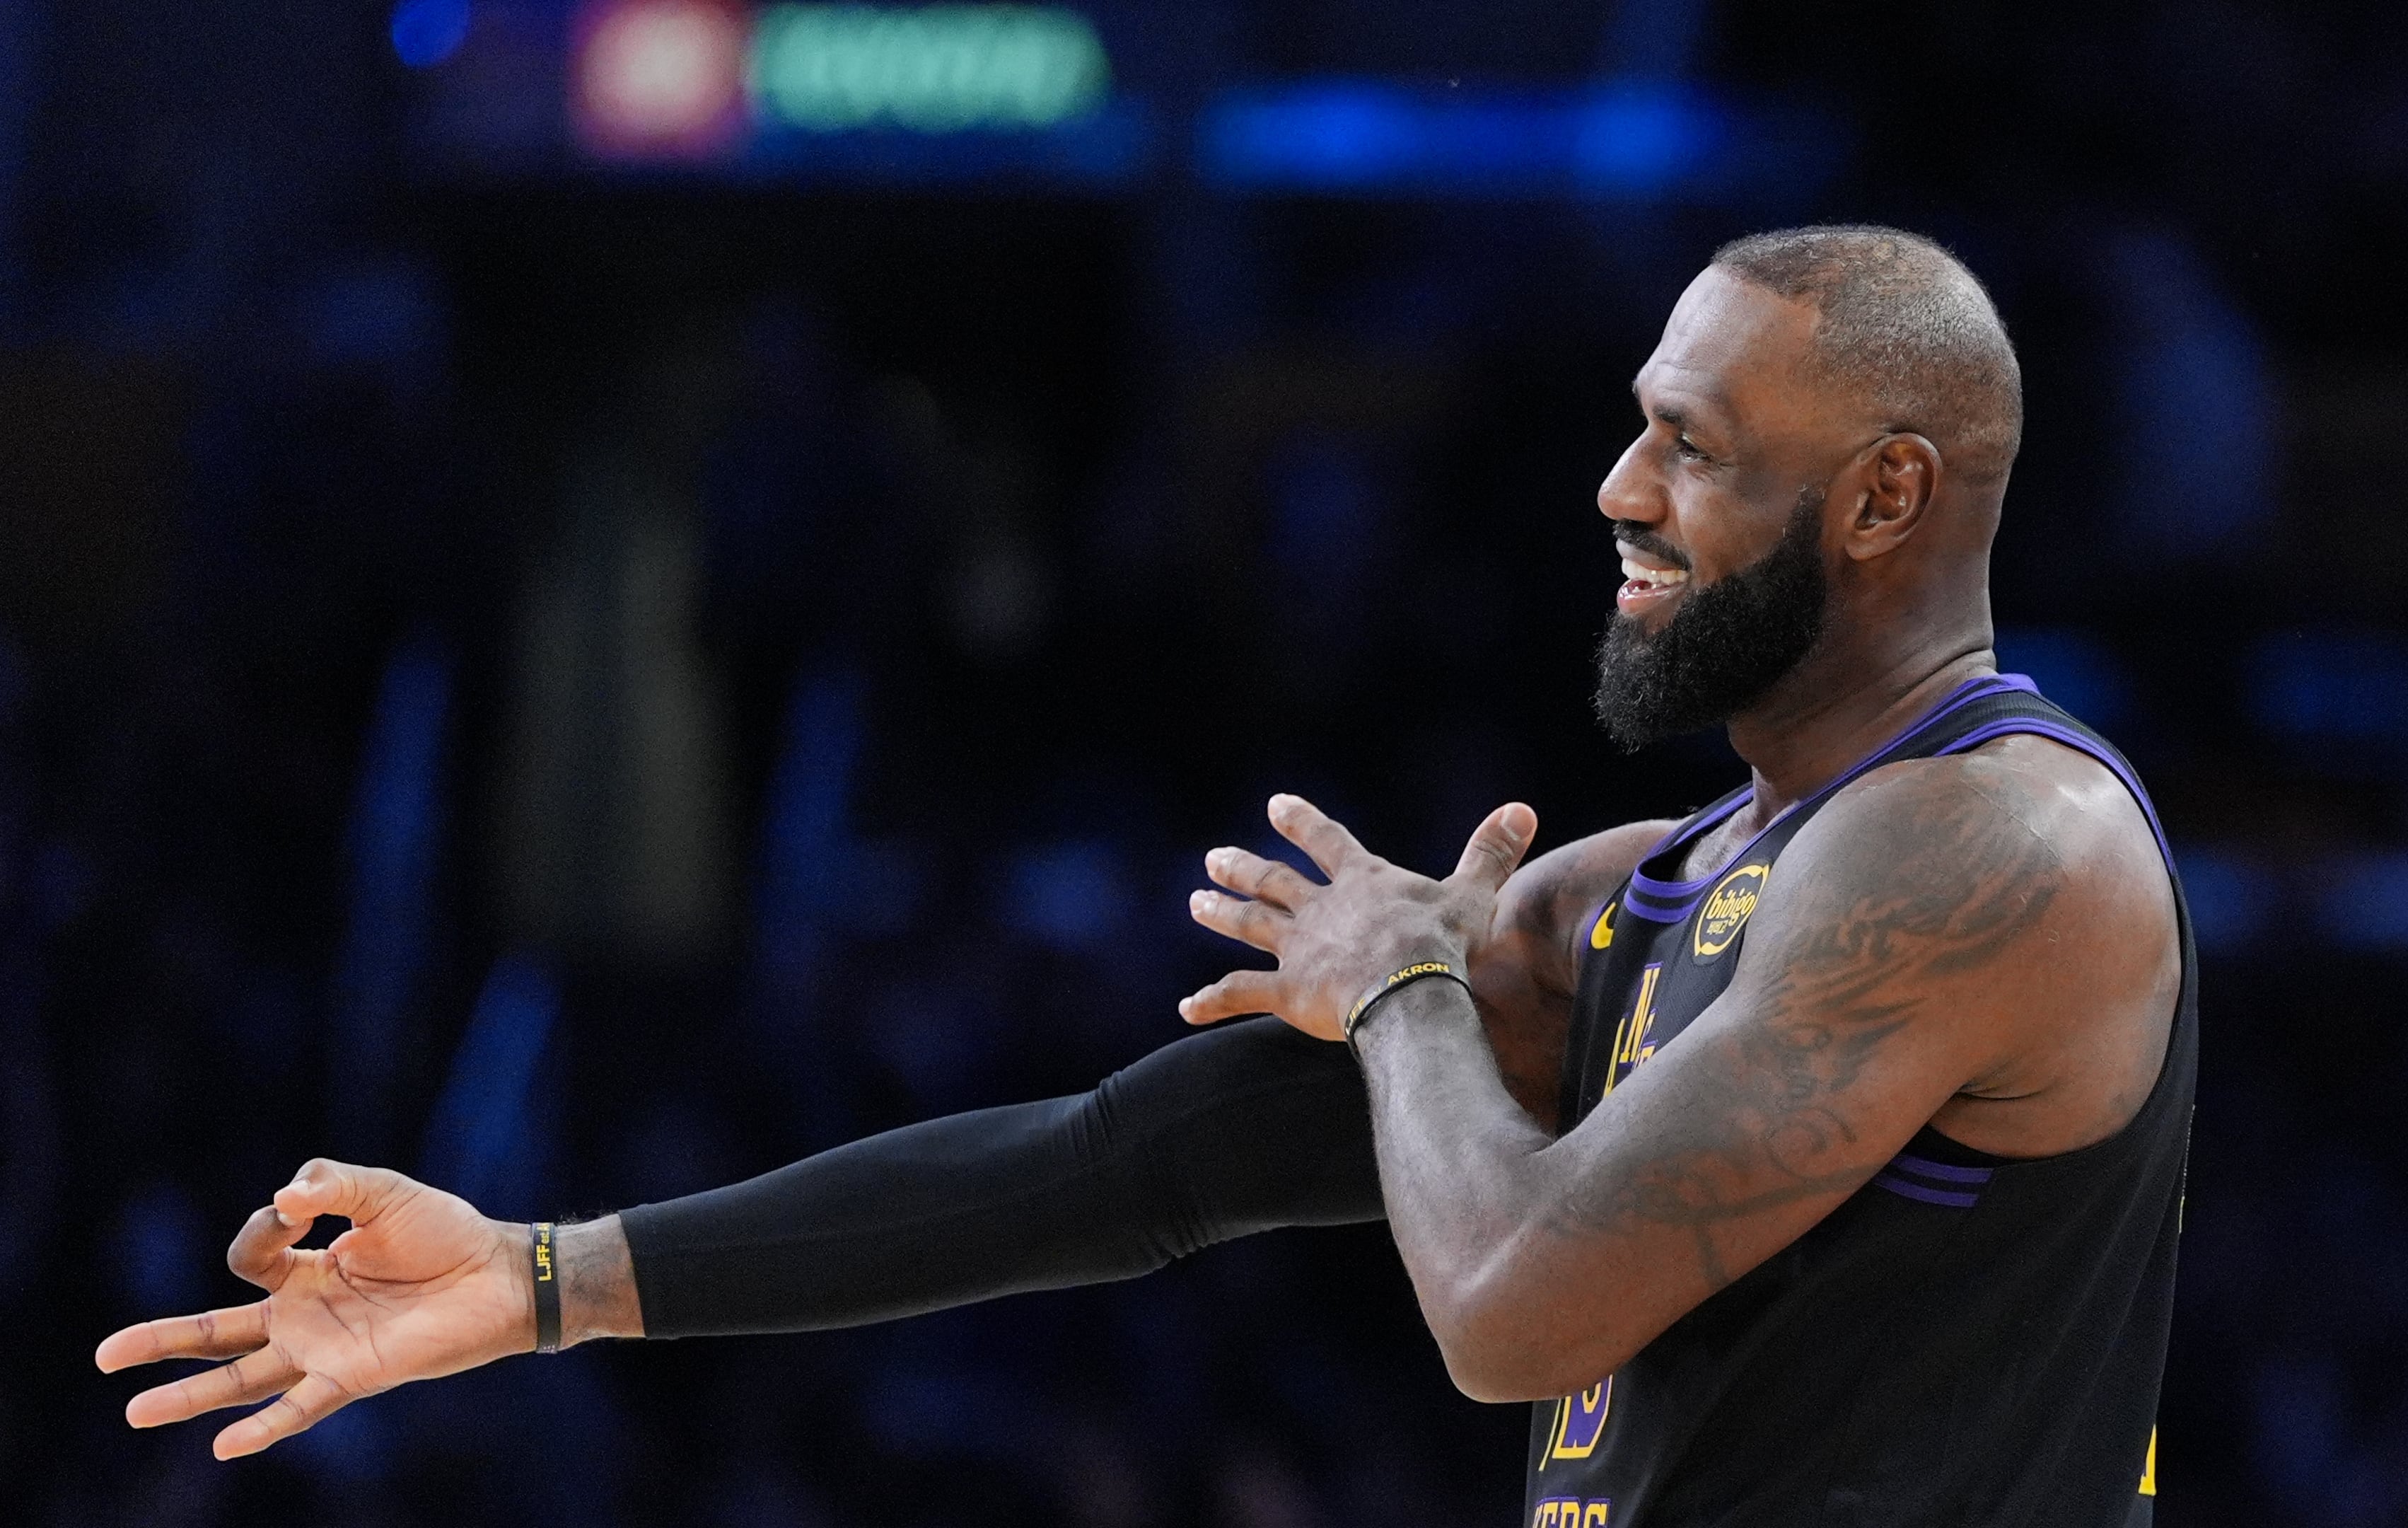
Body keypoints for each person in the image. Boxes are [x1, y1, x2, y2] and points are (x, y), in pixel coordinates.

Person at [100, 226, 2194, 1527]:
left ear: (1887, 494)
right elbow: (1128, 1167)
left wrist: (1401, 991)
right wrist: (542, 1279)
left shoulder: (2002, 840)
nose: (1618, 488)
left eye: (1693, 443)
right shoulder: (1684, 877)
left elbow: (1515, 1305)